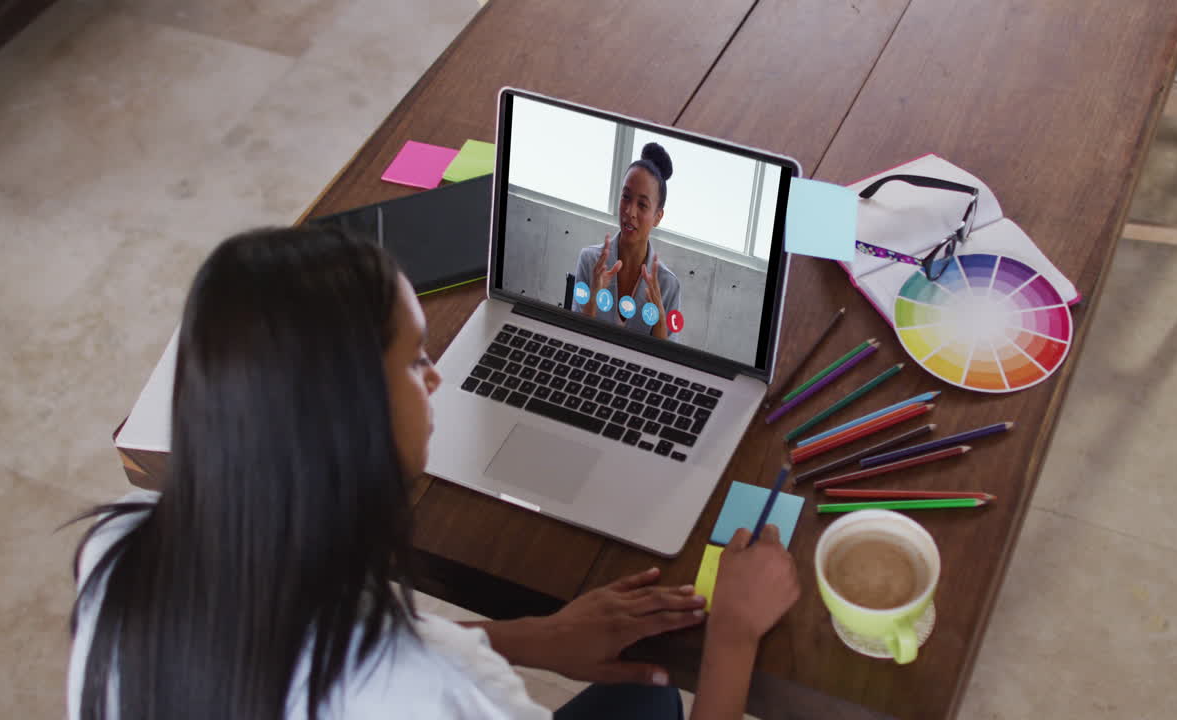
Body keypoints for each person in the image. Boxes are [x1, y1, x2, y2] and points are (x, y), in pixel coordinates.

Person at [68, 226, 799, 720]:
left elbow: (320, 644)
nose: (438, 379)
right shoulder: (440, 694)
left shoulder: (119, 554)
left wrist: (531, 638)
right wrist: (732, 633)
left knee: (642, 699)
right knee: (658, 697)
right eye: (417, 360)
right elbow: (409, 674)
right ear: (355, 421)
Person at [572, 142, 681, 340]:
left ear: (658, 217)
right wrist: (593, 300)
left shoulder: (668, 285)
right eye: (626, 197)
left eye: (642, 205)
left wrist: (659, 318)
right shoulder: (590, 261)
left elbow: (666, 362)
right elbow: (574, 340)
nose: (630, 212)